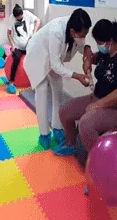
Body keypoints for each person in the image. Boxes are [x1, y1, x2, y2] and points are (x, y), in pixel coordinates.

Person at [53, 19, 117, 157]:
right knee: (64, 110)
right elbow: (93, 58)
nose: (100, 47)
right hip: (95, 97)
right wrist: (87, 60)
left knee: (85, 124)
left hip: (116, 109)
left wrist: (98, 105)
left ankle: (100, 160)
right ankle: (70, 144)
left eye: (100, 43)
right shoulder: (106, 52)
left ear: (110, 41)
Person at [23, 8, 93, 149]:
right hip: (37, 55)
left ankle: (57, 128)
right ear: (73, 32)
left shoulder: (76, 27)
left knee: (58, 91)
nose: (83, 37)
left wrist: (87, 51)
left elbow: (80, 46)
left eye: (86, 34)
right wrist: (78, 76)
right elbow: (55, 65)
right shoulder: (57, 31)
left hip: (53, 58)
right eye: (82, 34)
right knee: (42, 92)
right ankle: (44, 134)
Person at [6, 4, 41, 94]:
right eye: (18, 18)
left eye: (20, 18)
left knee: (34, 59)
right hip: (17, 46)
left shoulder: (27, 14)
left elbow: (37, 21)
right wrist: (12, 45)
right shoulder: (11, 19)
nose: (19, 19)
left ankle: (35, 81)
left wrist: (34, 32)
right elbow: (9, 33)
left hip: (28, 44)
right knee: (16, 59)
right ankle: (11, 82)